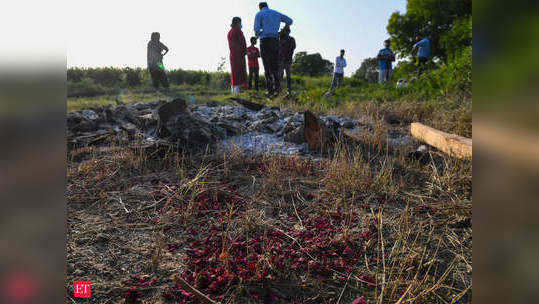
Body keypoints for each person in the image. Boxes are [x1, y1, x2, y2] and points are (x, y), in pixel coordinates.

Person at [254, 2, 293, 97]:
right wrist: (284, 30)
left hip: (265, 41)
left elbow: (257, 29)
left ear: (260, 7)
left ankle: (270, 90)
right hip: (275, 40)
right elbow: (290, 21)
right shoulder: (276, 13)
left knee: (267, 66)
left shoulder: (259, 14)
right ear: (267, 6)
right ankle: (278, 89)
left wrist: (258, 35)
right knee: (275, 65)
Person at [227, 17, 247, 95]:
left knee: (235, 72)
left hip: (234, 54)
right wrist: (244, 51)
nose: (240, 24)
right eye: (239, 22)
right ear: (237, 23)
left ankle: (234, 91)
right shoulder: (237, 31)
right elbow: (241, 43)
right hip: (238, 55)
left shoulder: (231, 31)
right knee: (237, 73)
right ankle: (236, 93)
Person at [278, 25, 296, 95]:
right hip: (281, 59)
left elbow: (293, 48)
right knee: (280, 76)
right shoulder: (280, 38)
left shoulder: (291, 39)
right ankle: (280, 90)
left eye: (287, 30)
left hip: (287, 60)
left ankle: (288, 91)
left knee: (287, 76)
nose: (287, 32)